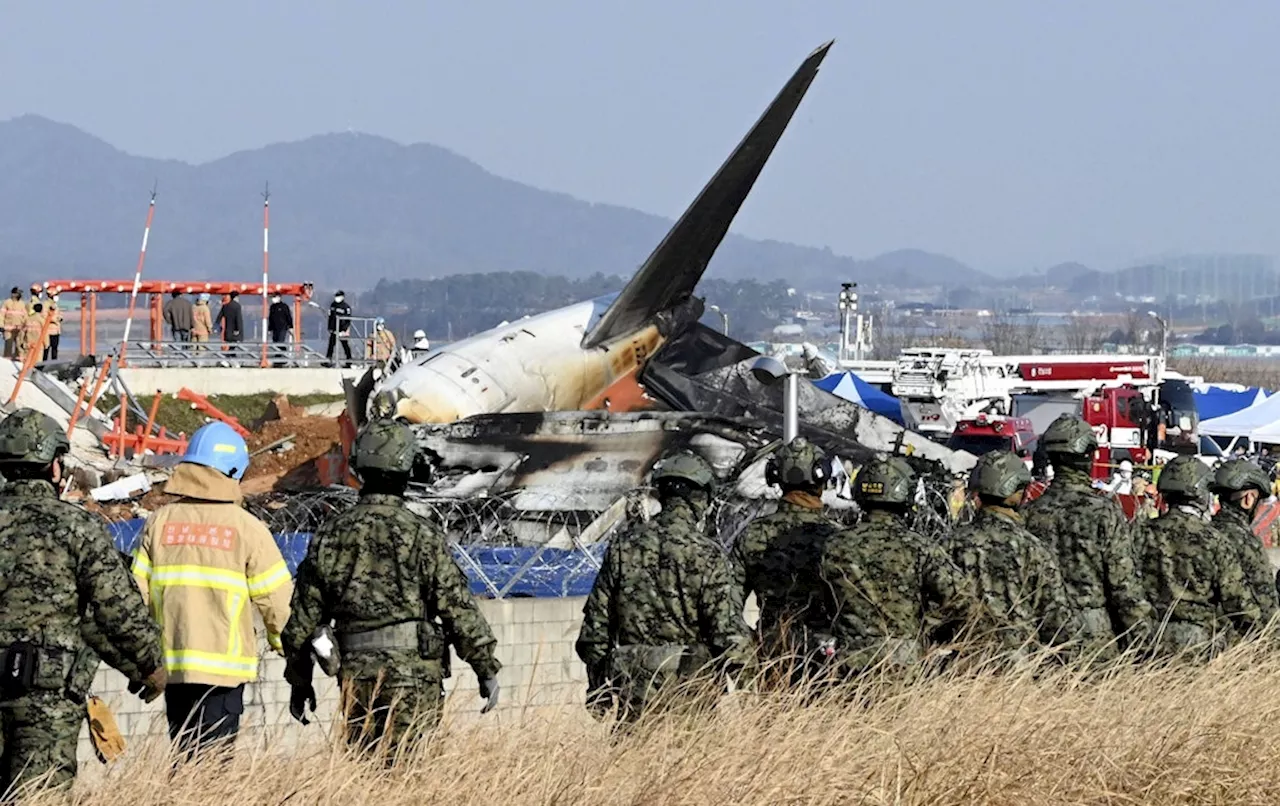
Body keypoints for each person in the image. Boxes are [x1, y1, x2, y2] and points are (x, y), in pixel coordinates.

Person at [282, 419, 501, 759]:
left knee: (366, 772)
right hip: (414, 678)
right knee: (408, 774)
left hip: (356, 678)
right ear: (408, 466)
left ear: (359, 466)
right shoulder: (421, 534)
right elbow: (457, 608)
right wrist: (484, 667)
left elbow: (302, 620)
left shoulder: (330, 535)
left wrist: (300, 681)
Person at [0, 409, 166, 795]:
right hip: (46, 701)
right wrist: (149, 665)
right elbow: (116, 611)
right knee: (39, 796)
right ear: (54, 466)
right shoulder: (77, 528)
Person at [131, 422, 292, 761]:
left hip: (172, 669)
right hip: (223, 673)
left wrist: (139, 661)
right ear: (233, 471)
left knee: (184, 760)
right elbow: (278, 604)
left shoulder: (159, 523)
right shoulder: (248, 529)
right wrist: (287, 648)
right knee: (211, 772)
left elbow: (134, 599)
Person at [578, 450, 752, 725]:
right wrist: (750, 686)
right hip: (692, 700)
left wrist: (598, 689)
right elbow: (726, 632)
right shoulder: (707, 554)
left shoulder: (624, 547)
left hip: (635, 697)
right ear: (700, 497)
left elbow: (595, 628)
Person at [818, 457, 974, 680]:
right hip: (904, 661)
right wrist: (925, 631)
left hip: (849, 662)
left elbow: (822, 600)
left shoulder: (834, 546)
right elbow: (962, 598)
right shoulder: (920, 547)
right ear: (907, 495)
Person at [1023, 415, 1152, 661]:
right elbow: (1123, 586)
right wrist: (1145, 642)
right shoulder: (1104, 513)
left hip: (1043, 636)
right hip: (1095, 638)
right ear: (1089, 456)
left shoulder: (1029, 514)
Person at [946, 450, 1079, 659]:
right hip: (1020, 670)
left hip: (962, 668)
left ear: (977, 493)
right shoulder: (1034, 549)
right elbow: (1057, 622)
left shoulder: (950, 545)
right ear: (1019, 493)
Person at [732, 437, 843, 679]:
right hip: (828, 656)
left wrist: (753, 646)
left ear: (775, 476)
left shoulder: (753, 535)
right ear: (821, 477)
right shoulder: (837, 539)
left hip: (772, 653)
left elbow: (729, 606)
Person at [1136, 455, 1260, 659]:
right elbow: (1239, 604)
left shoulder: (1139, 533)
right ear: (1202, 493)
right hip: (1201, 647)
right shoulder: (1213, 540)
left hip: (1149, 644)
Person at [1209, 458, 1279, 629]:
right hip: (1235, 641)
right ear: (1248, 499)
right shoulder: (1246, 542)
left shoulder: (1205, 533)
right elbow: (1266, 609)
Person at [326, 291, 353, 367]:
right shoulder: (333, 305)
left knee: (345, 345)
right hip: (334, 329)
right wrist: (329, 327)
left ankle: (349, 361)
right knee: (331, 345)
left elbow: (348, 319)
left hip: (342, 330)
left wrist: (344, 330)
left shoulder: (346, 307)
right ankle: (328, 359)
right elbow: (330, 317)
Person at [1, 288, 26, 358]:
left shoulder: (22, 304)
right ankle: (7, 362)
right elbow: (2, 315)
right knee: (8, 347)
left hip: (19, 329)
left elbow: (25, 316)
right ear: (13, 294)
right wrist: (1, 326)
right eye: (18, 293)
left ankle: (18, 361)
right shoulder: (7, 303)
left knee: (19, 347)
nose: (20, 295)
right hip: (8, 330)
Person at [43, 292, 63, 361]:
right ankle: (44, 363)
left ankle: (54, 362)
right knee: (46, 349)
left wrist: (60, 318)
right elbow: (45, 316)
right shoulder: (46, 304)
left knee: (55, 349)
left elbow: (59, 314)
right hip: (48, 331)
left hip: (56, 331)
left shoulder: (55, 305)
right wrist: (54, 320)